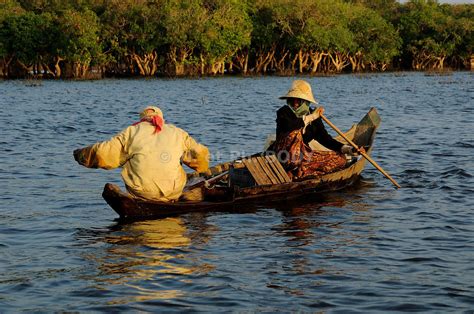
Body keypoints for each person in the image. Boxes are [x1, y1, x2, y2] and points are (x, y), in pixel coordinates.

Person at [73, 106, 210, 201]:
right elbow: (200, 155)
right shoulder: (177, 132)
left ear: (142, 119)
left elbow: (103, 153)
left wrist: (81, 154)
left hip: (142, 192)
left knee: (125, 159)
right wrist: (202, 168)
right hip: (172, 192)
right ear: (162, 119)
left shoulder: (131, 132)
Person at [271, 80, 356, 180]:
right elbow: (291, 125)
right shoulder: (284, 112)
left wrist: (349, 149)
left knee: (341, 159)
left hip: (303, 158)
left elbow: (325, 139)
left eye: (299, 100)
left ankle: (301, 171)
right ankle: (297, 169)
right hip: (284, 157)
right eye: (292, 99)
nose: (295, 103)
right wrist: (312, 117)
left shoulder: (313, 116)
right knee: (294, 133)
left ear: (306, 102)